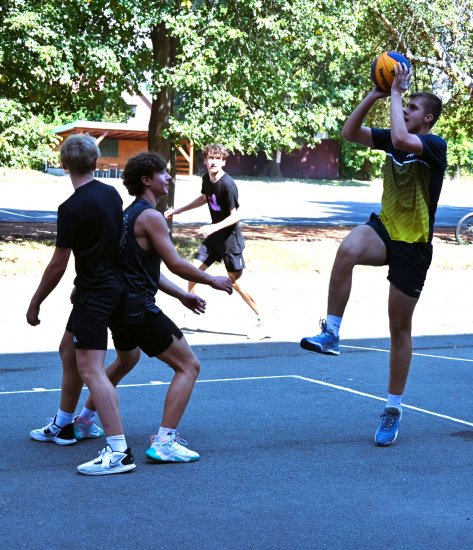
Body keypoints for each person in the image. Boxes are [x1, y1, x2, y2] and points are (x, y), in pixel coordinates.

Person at [300, 63, 447, 446]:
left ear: (427, 117)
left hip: (413, 243)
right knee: (347, 249)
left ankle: (393, 407)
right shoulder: (394, 135)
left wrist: (397, 92)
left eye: (413, 107)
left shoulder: (434, 145)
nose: (407, 110)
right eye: (407, 105)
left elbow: (400, 138)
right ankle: (331, 332)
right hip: (384, 228)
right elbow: (349, 133)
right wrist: (377, 94)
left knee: (398, 328)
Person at [75, 152, 233, 464]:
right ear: (147, 180)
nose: (169, 178)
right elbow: (174, 264)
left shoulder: (128, 214)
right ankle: (164, 441)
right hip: (137, 308)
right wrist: (210, 279)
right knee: (189, 366)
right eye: (163, 174)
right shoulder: (151, 216)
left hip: (119, 307)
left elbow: (148, 269)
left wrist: (181, 296)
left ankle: (83, 419)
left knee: (126, 359)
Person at [26, 133, 133, 475]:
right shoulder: (112, 194)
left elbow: (58, 263)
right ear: (97, 162)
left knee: (91, 369)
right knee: (67, 352)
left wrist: (35, 302)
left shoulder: (70, 208)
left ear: (63, 165)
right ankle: (64, 424)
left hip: (95, 292)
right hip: (104, 286)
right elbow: (113, 244)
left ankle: (118, 451)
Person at [165, 144, 266, 339]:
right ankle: (193, 310)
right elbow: (204, 198)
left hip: (230, 241)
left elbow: (236, 216)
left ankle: (261, 320)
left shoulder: (228, 185)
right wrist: (177, 211)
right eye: (210, 157)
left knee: (235, 284)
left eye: (217, 158)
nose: (213, 161)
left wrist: (212, 227)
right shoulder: (207, 179)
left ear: (223, 161)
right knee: (192, 272)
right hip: (214, 239)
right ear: (205, 160)